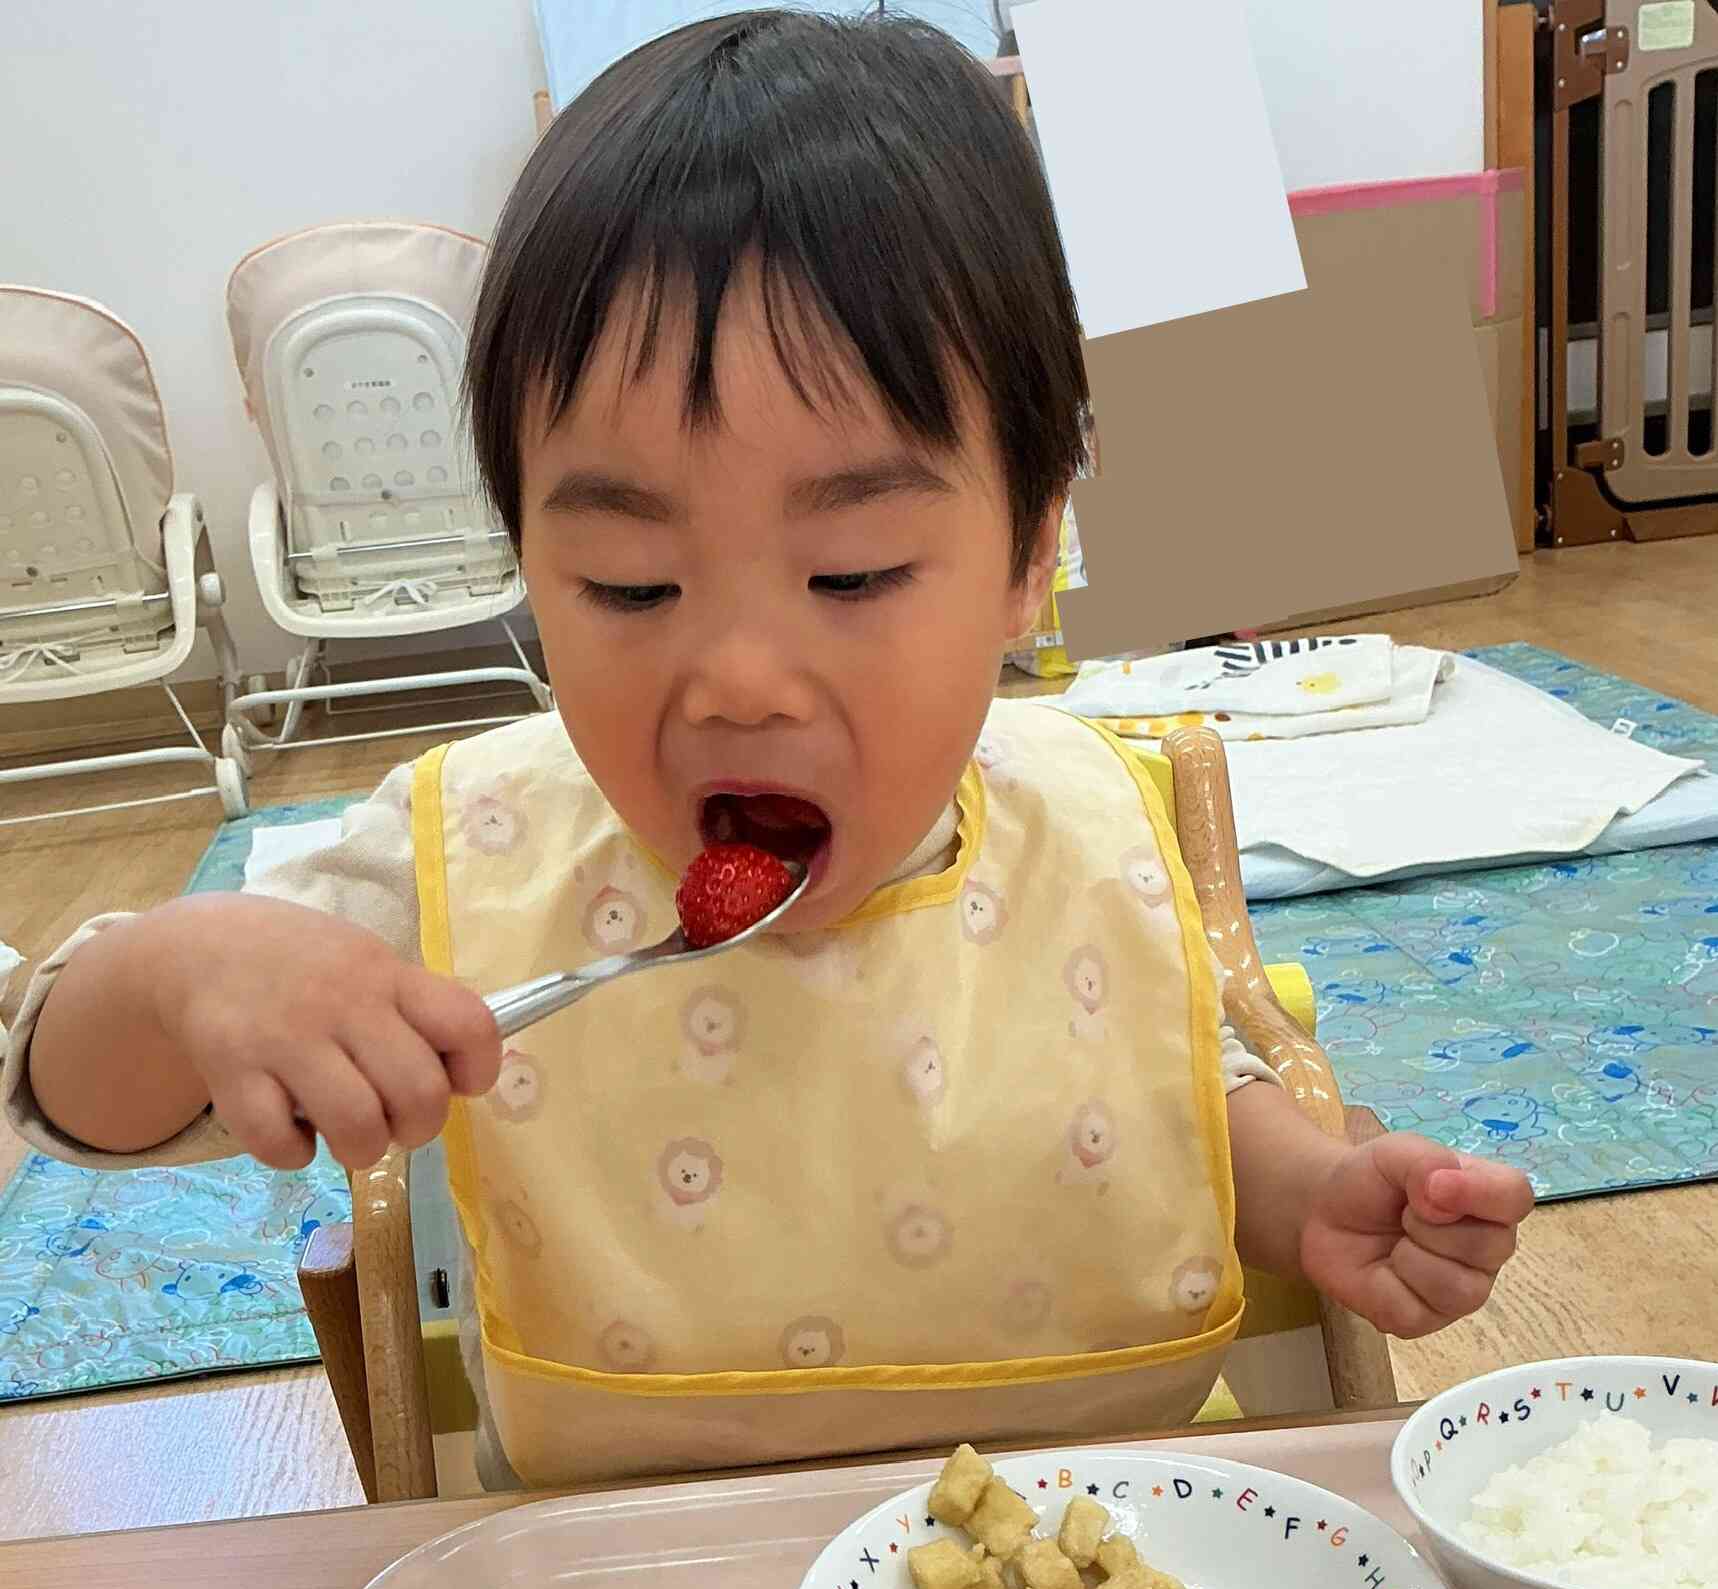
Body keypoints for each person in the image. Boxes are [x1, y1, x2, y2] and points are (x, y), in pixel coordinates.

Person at [3, 10, 1532, 1490]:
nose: (736, 682)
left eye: (852, 573)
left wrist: (1309, 1193)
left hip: (1102, 1553)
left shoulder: (1090, 818)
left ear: (1028, 555)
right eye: (629, 586)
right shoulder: (462, 859)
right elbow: (74, 1092)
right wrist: (179, 976)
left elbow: (1164, 1090)